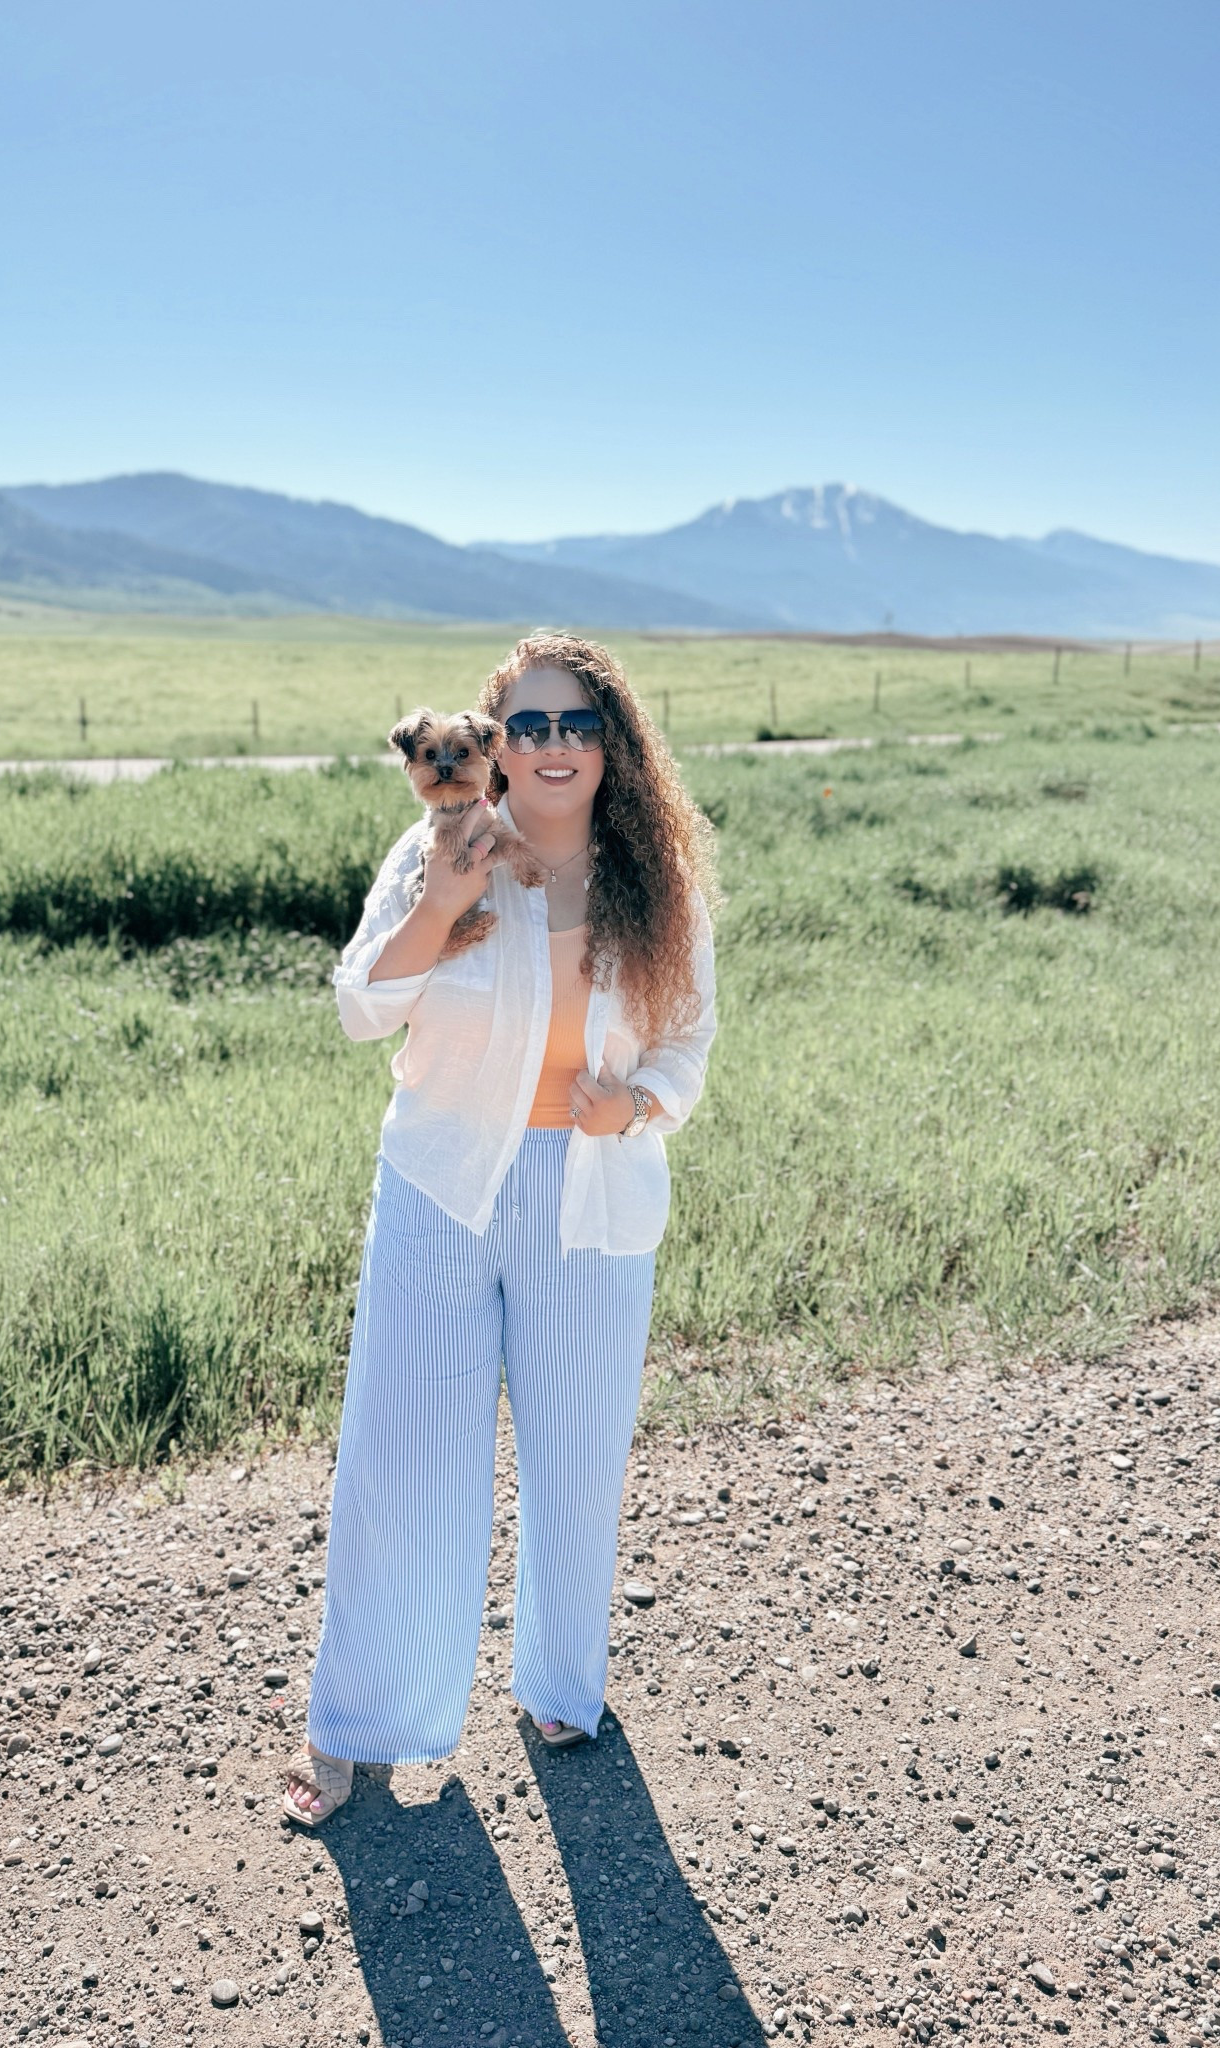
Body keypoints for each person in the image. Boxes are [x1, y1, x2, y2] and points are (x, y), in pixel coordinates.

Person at [282, 631, 720, 1824]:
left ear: (614, 745)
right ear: (492, 743)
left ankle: (560, 1683)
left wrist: (637, 1101)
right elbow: (363, 1006)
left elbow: (689, 1040)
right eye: (529, 724)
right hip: (440, 1186)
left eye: (579, 723)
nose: (555, 744)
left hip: (591, 1194)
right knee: (404, 1459)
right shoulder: (437, 849)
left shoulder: (657, 883)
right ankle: (360, 1722)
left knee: (576, 1457)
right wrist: (441, 900)